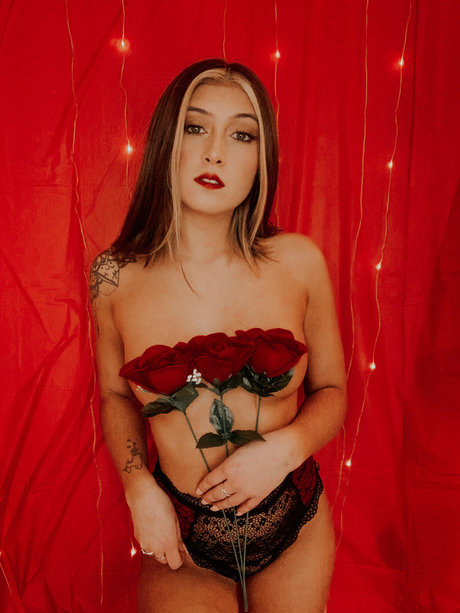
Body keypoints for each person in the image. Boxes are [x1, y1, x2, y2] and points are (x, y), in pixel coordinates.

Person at [90, 58, 347, 613]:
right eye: (195, 127)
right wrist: (138, 488)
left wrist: (285, 449)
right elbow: (114, 395)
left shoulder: (300, 262)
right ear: (167, 141)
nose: (215, 153)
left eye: (241, 135)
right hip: (184, 543)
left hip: (294, 523)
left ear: (262, 158)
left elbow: (332, 390)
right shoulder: (112, 275)